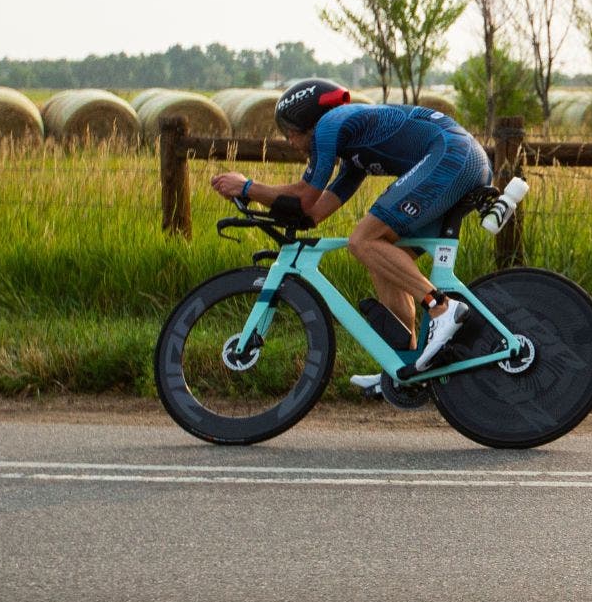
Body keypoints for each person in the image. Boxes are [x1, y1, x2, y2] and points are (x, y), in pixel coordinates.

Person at [208, 79, 489, 387]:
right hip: (462, 158)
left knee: (363, 241)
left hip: (451, 156)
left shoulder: (329, 124)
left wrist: (247, 186)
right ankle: (403, 368)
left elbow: (304, 196)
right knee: (383, 258)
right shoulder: (354, 154)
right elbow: (313, 213)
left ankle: (442, 308)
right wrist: (257, 205)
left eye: (289, 130)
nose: (289, 140)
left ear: (306, 120)